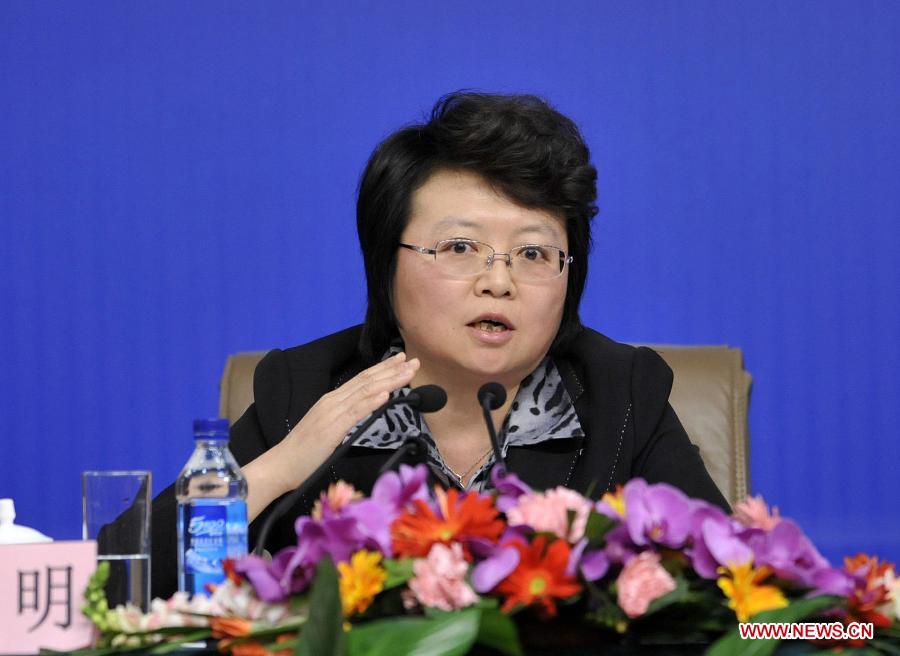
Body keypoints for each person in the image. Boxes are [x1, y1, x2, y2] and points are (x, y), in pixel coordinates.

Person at [148, 92, 728, 599]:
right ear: (386, 265)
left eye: (532, 254)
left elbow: (750, 605)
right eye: (459, 248)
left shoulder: (621, 395)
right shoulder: (307, 390)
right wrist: (281, 467)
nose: (498, 281)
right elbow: (119, 581)